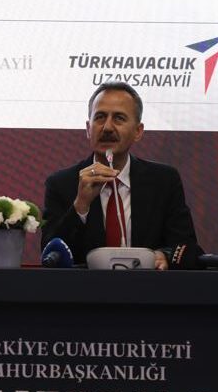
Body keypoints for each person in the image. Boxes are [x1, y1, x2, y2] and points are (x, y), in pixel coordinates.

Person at [42, 82, 199, 269]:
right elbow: (50, 257)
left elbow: (188, 247)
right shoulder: (61, 183)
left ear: (138, 131)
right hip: (84, 287)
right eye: (100, 117)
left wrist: (164, 255)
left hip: (148, 286)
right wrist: (80, 206)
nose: (107, 127)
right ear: (88, 128)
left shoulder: (164, 181)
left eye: (119, 118)